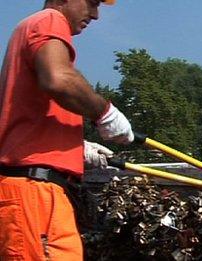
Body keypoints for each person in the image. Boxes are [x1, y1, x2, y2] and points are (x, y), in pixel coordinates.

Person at [0, 0, 133, 259]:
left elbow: (26, 114)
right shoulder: (48, 20)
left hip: (37, 192)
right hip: (35, 194)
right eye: (92, 3)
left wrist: (74, 149)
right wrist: (105, 113)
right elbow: (59, 80)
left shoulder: (29, 29)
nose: (95, 15)